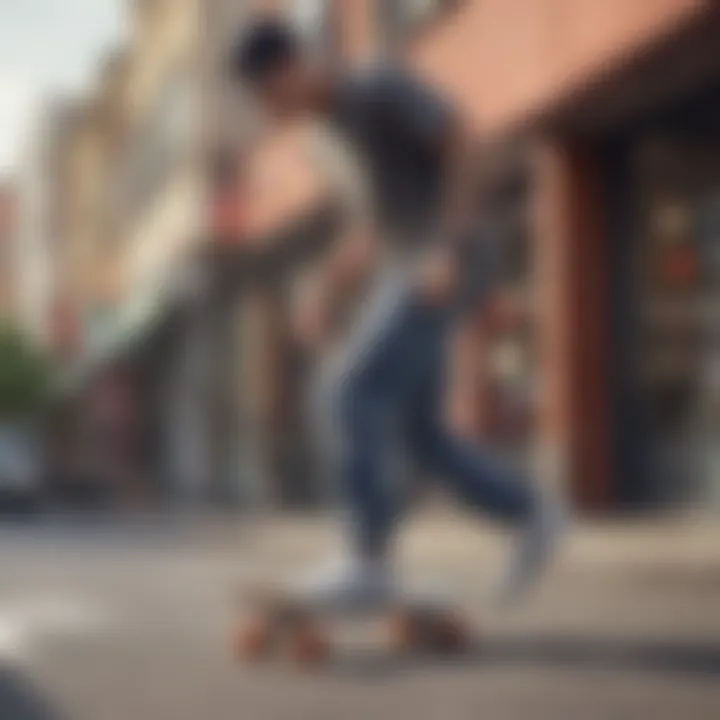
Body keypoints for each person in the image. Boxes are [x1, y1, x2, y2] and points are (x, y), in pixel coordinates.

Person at [229, 18, 565, 609]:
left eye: (264, 96)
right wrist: (324, 293)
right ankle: (532, 514)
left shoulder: (376, 87)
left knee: (349, 391)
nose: (266, 113)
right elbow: (369, 228)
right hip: (409, 263)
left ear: (287, 70)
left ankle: (367, 558)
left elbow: (462, 141)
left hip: (449, 254)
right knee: (421, 437)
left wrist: (445, 245)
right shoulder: (324, 140)